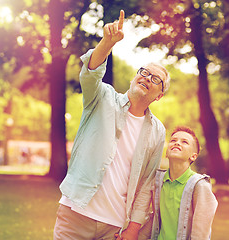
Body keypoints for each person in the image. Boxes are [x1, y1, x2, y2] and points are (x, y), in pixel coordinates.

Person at [53, 9, 170, 240]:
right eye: (144, 72)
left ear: (159, 95)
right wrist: (107, 43)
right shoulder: (102, 97)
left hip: (115, 225)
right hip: (75, 214)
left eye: (156, 79)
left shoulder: (157, 131)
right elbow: (90, 74)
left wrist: (134, 228)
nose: (147, 78)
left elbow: (147, 183)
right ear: (133, 78)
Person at [150, 126, 218, 240]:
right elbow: (153, 219)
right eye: (173, 140)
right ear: (166, 152)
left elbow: (201, 233)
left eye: (184, 142)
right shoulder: (158, 180)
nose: (177, 143)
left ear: (193, 156)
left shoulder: (200, 186)